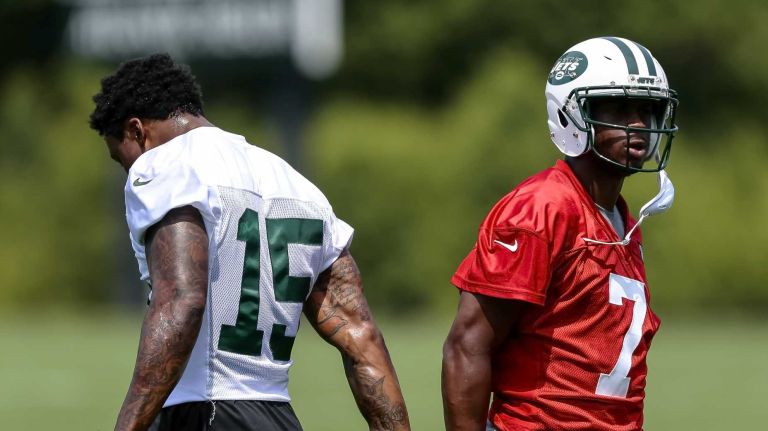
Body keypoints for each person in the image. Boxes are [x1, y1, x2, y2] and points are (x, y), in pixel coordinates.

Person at [89, 53, 410, 431]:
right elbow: (363, 341)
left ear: (137, 130)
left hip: (200, 415)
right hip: (277, 419)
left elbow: (183, 299)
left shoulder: (163, 165)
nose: (127, 168)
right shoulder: (300, 188)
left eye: (120, 156)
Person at [442, 36, 679, 431]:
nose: (639, 126)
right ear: (572, 114)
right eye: (620, 109)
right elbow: (467, 347)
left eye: (647, 110)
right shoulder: (543, 208)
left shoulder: (619, 219)